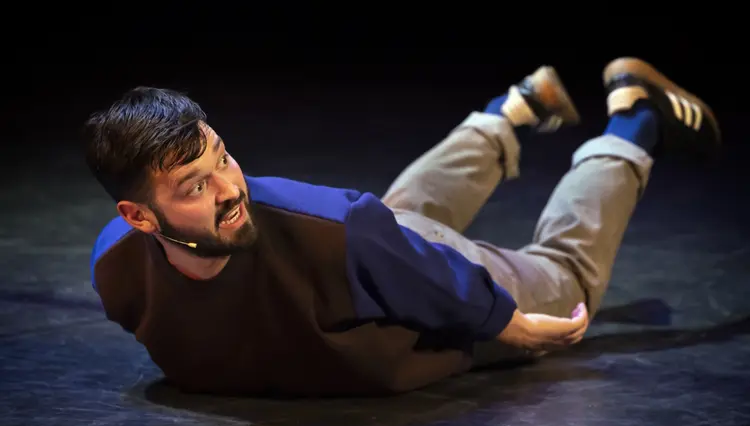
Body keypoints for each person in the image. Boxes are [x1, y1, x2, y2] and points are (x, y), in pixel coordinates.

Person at [85, 58, 720, 397]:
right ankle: (513, 109)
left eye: (223, 156)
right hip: (375, 249)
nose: (230, 188)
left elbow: (424, 273)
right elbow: (373, 241)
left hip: (413, 265)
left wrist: (513, 325)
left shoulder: (335, 229)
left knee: (568, 274)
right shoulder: (116, 269)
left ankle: (634, 120)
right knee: (390, 223)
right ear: (139, 217)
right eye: (195, 186)